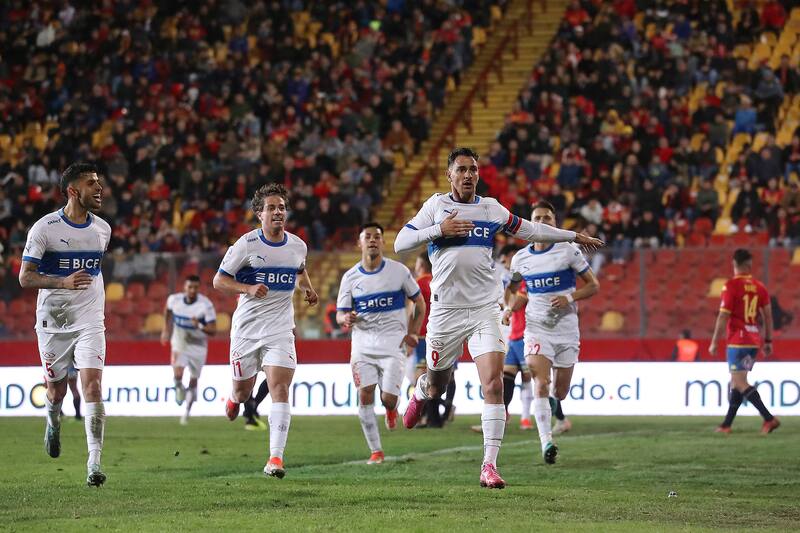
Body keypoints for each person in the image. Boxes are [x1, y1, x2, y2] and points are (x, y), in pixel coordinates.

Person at [394, 148, 603, 488]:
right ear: (449, 175)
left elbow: (531, 230)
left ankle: (488, 466)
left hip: (484, 309)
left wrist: (572, 235)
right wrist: (438, 230)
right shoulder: (435, 207)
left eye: (473, 169)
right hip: (445, 311)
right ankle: (420, 391)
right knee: (437, 385)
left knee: (492, 385)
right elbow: (402, 242)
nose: (467, 175)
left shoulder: (490, 208)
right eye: (461, 169)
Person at [213, 183, 319, 479]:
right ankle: (234, 399)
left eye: (282, 207)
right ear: (259, 214)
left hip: (281, 329)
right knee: (243, 391)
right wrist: (246, 287)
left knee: (280, 390)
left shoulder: (298, 245)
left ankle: (275, 458)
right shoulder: (245, 245)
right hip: (246, 331)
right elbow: (219, 281)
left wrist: (307, 289)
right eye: (271, 208)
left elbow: (300, 270)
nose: (278, 212)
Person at [19, 162, 112, 487]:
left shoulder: (102, 229)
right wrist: (63, 282)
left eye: (99, 182)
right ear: (73, 191)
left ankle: (94, 463)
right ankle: (53, 422)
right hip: (53, 322)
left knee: (92, 388)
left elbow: (95, 275)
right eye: (91, 183)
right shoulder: (44, 229)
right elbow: (25, 277)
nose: (99, 188)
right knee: (56, 389)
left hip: (90, 320)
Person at [507, 201, 600, 464]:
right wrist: (507, 307)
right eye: (538, 218)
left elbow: (594, 286)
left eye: (547, 217)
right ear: (531, 223)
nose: (543, 222)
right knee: (541, 382)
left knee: (559, 392)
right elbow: (514, 290)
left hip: (567, 330)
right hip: (536, 328)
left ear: (555, 222)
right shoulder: (520, 258)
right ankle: (546, 441)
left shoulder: (568, 251)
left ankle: (553, 407)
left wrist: (569, 297)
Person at [336, 222, 425, 464]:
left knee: (388, 398)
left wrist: (414, 332)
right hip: (362, 347)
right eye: (368, 237)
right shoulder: (350, 277)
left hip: (393, 346)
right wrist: (346, 318)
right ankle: (376, 451)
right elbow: (340, 313)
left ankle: (391, 408)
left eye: (377, 236)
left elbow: (420, 303)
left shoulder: (399, 272)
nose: (372, 240)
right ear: (360, 243)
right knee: (365, 393)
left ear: (383, 242)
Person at [709, 249, 780, 434]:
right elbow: (769, 317)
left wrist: (715, 341)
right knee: (737, 382)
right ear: (749, 265)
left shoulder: (731, 286)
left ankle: (769, 418)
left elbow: (723, 317)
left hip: (737, 342)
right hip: (753, 341)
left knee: (740, 382)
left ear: (734, 264)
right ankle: (726, 425)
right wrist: (768, 340)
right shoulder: (760, 286)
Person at [160, 274, 217, 425]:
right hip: (180, 341)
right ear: (184, 287)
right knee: (178, 373)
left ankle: (186, 413)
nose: (192, 290)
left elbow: (213, 330)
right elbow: (167, 311)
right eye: (189, 287)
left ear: (199, 289)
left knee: (193, 380)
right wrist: (166, 329)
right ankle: (178, 386)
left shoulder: (206, 305)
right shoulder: (174, 300)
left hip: (198, 345)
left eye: (195, 287)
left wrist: (198, 324)